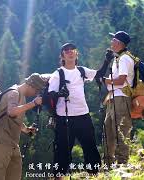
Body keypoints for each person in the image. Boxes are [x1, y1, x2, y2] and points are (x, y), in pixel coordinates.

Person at [48, 43, 112, 178]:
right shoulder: (57, 74)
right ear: (62, 56)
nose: (70, 52)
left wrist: (107, 60)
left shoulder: (81, 71)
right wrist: (60, 93)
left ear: (77, 54)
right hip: (64, 118)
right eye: (66, 50)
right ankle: (58, 177)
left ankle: (94, 175)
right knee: (62, 152)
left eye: (73, 50)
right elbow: (49, 96)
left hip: (83, 115)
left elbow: (99, 74)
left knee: (90, 147)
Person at [0, 73, 48, 180]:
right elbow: (12, 112)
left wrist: (26, 129)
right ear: (31, 85)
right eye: (36, 91)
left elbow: (14, 119)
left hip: (12, 144)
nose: (36, 94)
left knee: (15, 175)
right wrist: (34, 103)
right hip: (0, 141)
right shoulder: (14, 93)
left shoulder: (22, 97)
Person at [102, 31, 134, 166]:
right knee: (108, 129)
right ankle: (108, 163)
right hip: (114, 98)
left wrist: (106, 81)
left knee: (121, 130)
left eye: (113, 40)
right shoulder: (118, 58)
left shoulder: (125, 58)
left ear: (119, 43)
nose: (111, 42)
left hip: (121, 97)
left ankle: (122, 163)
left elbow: (121, 80)